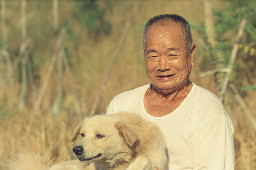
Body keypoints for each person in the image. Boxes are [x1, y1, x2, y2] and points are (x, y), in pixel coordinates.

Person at [106, 14, 235, 170]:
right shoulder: (121, 105)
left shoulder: (208, 111)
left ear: (191, 53)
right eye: (153, 56)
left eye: (172, 55)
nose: (163, 65)